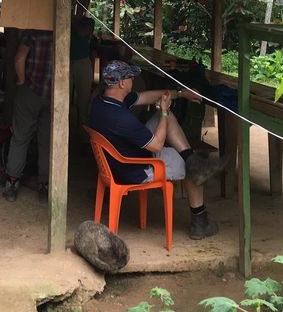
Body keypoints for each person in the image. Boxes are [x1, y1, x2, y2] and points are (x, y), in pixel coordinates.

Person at [88, 60, 225, 240]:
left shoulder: (103, 101)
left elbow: (147, 97)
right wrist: (164, 112)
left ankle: (190, 157)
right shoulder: (120, 118)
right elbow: (157, 145)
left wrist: (181, 94)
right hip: (136, 168)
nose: (133, 80)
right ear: (122, 83)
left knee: (171, 128)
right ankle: (200, 222)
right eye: (130, 77)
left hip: (118, 159)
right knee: (193, 166)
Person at [2, 29, 53, 202]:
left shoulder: (33, 33)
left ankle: (12, 183)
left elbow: (19, 58)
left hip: (31, 90)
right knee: (47, 141)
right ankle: (44, 186)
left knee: (20, 137)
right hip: (54, 94)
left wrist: (22, 80)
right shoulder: (63, 31)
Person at [70, 0, 96, 131]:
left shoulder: (89, 22)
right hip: (66, 62)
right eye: (78, 2)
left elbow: (82, 32)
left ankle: (84, 137)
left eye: (83, 3)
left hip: (82, 62)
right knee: (63, 98)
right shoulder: (67, 19)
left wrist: (73, 18)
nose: (80, 6)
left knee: (83, 102)